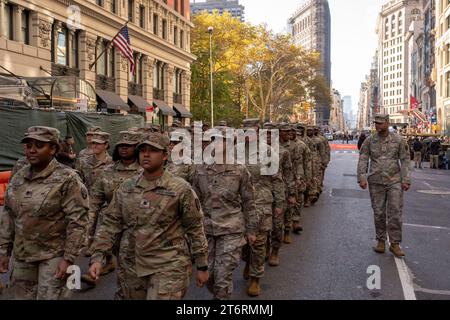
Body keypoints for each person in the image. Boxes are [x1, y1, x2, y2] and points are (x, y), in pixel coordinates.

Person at [88, 133, 209, 300]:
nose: (146, 154)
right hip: (132, 266)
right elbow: (111, 223)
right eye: (142, 150)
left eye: (153, 151)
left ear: (165, 155)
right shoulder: (126, 188)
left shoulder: (180, 189)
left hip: (168, 266)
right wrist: (98, 257)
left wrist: (202, 264)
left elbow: (194, 227)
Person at [0, 126, 89, 300]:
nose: (32, 150)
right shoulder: (18, 178)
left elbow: (78, 221)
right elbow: (8, 216)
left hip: (54, 256)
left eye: (39, 145)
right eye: (28, 145)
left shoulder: (68, 179)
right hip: (23, 256)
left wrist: (69, 259)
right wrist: (4, 251)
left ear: (53, 149)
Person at [191, 128, 258, 300]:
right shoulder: (200, 170)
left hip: (231, 230)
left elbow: (249, 201)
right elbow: (194, 201)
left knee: (222, 278)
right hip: (207, 231)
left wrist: (251, 230)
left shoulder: (239, 170)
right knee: (209, 276)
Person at [81, 131, 143, 293]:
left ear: (137, 148)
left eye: (128, 146)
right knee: (123, 268)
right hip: (111, 221)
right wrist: (87, 229)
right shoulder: (108, 171)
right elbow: (94, 202)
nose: (124, 149)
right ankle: (99, 269)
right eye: (121, 146)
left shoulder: (146, 170)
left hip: (141, 228)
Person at [241, 119, 285, 297]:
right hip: (240, 204)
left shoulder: (268, 152)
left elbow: (277, 179)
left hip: (262, 203)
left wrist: (280, 203)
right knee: (243, 241)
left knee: (258, 241)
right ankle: (247, 262)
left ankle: (255, 278)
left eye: (251, 131)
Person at [357, 114, 411, 258]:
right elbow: (363, 158)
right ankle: (381, 240)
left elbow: (405, 160)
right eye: (376, 123)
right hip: (376, 181)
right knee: (379, 212)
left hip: (394, 180)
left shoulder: (398, 140)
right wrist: (361, 177)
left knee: (395, 212)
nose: (378, 126)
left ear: (387, 123)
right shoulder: (369, 140)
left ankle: (394, 243)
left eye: (381, 123)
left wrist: (406, 179)